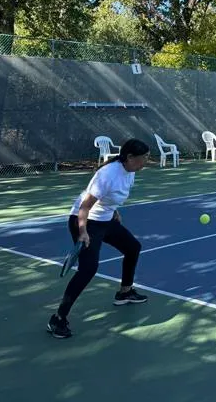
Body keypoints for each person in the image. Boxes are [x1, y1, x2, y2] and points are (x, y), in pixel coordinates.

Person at [47, 138, 150, 339]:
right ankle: (58, 318)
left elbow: (110, 198)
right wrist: (83, 232)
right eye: (143, 157)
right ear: (130, 157)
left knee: (133, 247)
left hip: (105, 220)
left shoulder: (130, 171)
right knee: (88, 269)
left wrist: (114, 211)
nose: (145, 161)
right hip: (85, 221)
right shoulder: (107, 174)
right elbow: (84, 207)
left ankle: (125, 292)